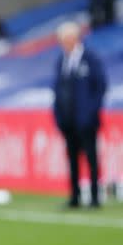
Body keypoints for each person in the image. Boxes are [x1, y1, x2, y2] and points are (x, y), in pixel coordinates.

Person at [52, 22, 107, 208]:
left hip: (86, 120)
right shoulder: (62, 61)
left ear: (75, 38)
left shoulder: (90, 58)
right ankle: (74, 195)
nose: (63, 44)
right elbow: (58, 89)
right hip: (68, 120)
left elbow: (100, 86)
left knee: (91, 158)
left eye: (66, 39)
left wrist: (91, 112)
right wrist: (59, 115)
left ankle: (94, 196)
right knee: (73, 159)